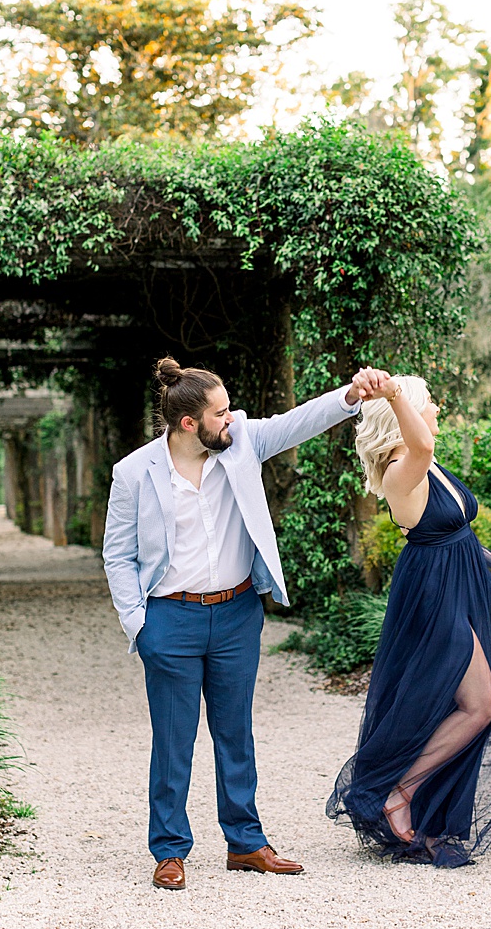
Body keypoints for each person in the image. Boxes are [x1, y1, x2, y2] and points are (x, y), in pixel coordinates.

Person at [103, 356, 390, 891]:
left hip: (236, 613)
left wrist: (352, 395)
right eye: (221, 412)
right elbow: (117, 555)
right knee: (173, 739)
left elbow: (296, 421)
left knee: (236, 733)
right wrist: (139, 626)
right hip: (170, 618)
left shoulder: (240, 444)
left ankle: (246, 843)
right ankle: (169, 849)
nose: (231, 418)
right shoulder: (134, 473)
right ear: (190, 423)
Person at [327, 375, 491, 867]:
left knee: (464, 702)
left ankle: (417, 799)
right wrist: (394, 392)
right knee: (480, 704)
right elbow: (421, 447)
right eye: (430, 404)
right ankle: (399, 790)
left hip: (460, 582)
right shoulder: (402, 469)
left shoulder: (431, 467)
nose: (438, 411)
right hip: (434, 595)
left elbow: (451, 531)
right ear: (405, 413)